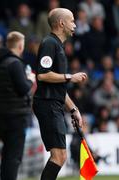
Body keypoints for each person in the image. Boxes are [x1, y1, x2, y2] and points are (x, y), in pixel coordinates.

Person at [32, 8, 88, 180]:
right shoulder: (49, 43)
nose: (75, 25)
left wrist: (73, 109)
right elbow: (42, 74)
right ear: (61, 23)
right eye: (71, 21)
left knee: (60, 157)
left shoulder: (58, 46)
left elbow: (58, 87)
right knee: (59, 156)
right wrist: (70, 77)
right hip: (47, 104)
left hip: (54, 103)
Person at [0, 31, 35, 180]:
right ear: (21, 46)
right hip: (16, 115)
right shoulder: (15, 63)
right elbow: (23, 88)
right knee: (14, 156)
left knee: (7, 154)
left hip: (2, 114)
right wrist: (30, 79)